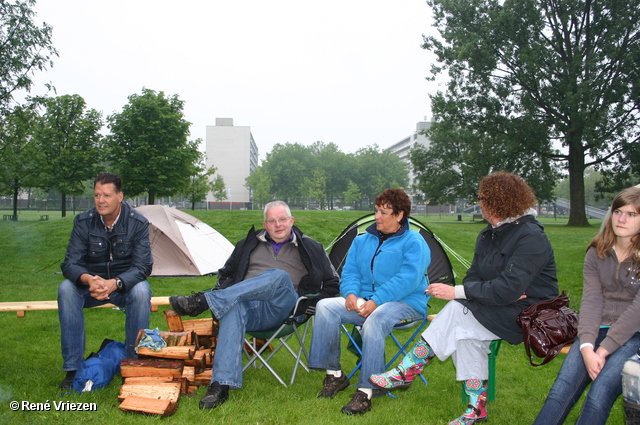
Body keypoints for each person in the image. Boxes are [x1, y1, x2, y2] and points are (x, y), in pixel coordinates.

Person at [369, 172, 558, 425]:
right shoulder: (488, 235)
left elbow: (503, 289)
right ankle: (476, 409)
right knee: (465, 334)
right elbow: (474, 280)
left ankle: (409, 368)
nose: (479, 203)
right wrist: (493, 289)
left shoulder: (531, 237)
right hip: (497, 305)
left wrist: (465, 291)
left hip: (530, 314)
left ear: (497, 202)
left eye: (482, 198)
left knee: (458, 311)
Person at [168, 200, 340, 410]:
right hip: (249, 308)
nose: (278, 225)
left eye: (282, 220)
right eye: (272, 221)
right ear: (265, 224)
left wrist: (309, 304)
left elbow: (332, 283)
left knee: (278, 276)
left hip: (282, 308)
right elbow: (226, 274)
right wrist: (227, 290)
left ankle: (204, 301)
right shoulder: (247, 244)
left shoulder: (310, 246)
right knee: (233, 307)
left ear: (291, 221)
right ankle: (220, 385)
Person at [308, 188, 431, 415]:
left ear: (400, 215)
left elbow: (408, 279)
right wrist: (351, 294)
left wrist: (377, 300)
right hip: (366, 302)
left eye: (384, 212)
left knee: (375, 318)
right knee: (325, 306)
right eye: (376, 211)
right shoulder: (361, 240)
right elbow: (350, 271)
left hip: (406, 303)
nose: (377, 216)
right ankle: (335, 375)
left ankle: (367, 389)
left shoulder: (415, 241)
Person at [534, 187, 640, 425]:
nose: (621, 219)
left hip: (634, 335)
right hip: (595, 328)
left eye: (632, 214)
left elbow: (637, 311)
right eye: (618, 211)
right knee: (559, 394)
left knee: (598, 396)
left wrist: (602, 351)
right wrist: (587, 347)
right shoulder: (597, 251)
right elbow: (592, 301)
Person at [58, 172, 153, 389]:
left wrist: (116, 283)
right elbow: (70, 263)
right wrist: (88, 280)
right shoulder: (83, 221)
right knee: (66, 289)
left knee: (141, 291)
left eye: (107, 195)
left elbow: (143, 267)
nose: (101, 201)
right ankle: (73, 369)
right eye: (97, 195)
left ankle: (132, 364)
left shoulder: (138, 223)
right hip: (90, 286)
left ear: (120, 196)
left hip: (123, 287)